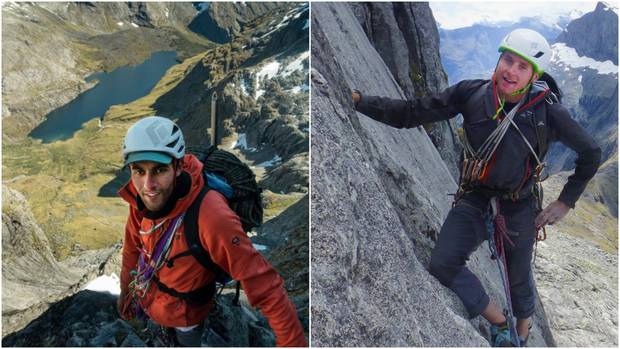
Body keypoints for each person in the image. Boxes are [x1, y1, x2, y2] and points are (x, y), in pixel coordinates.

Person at [352, 28, 601, 346]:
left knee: (519, 278)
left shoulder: (548, 112)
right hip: (475, 196)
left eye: (522, 67)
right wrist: (360, 101)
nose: (511, 71)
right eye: (508, 60)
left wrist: (565, 202)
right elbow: (411, 113)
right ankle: (498, 322)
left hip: (519, 203)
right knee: (443, 262)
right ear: (498, 59)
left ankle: (520, 337)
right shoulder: (471, 94)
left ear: (534, 74)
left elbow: (591, 152)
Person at [116, 116, 307, 347]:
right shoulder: (141, 200)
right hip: (152, 300)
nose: (148, 185)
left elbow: (265, 285)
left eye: (159, 170)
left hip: (187, 316)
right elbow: (131, 251)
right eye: (138, 170)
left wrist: (292, 342)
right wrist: (126, 298)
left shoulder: (211, 215)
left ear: (178, 167)